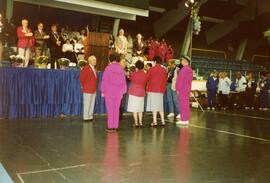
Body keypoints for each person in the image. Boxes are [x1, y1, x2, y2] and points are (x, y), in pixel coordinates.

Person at [101, 53, 127, 132]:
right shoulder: (121, 69)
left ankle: (110, 127)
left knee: (110, 109)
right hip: (118, 91)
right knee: (116, 109)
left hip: (109, 91)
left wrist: (103, 91)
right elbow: (123, 82)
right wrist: (123, 92)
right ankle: (115, 127)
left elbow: (105, 80)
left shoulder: (108, 68)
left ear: (110, 59)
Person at [146, 56, 167, 127]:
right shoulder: (164, 70)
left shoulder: (151, 69)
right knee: (160, 106)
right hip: (161, 90)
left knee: (154, 106)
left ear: (155, 61)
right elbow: (165, 82)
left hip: (152, 90)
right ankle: (163, 121)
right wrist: (164, 91)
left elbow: (147, 78)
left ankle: (155, 122)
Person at [127, 60, 148, 127]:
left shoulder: (133, 73)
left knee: (134, 108)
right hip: (141, 92)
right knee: (140, 108)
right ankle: (141, 123)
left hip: (133, 92)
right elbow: (145, 83)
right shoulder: (145, 74)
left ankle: (136, 123)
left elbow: (130, 78)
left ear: (136, 66)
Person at [80, 56, 98, 122]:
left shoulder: (95, 69)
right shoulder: (86, 68)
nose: (95, 61)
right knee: (87, 103)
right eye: (93, 60)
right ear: (89, 61)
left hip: (93, 89)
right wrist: (83, 86)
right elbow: (82, 78)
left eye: (95, 60)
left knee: (92, 103)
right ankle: (86, 117)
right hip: (87, 89)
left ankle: (90, 116)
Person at [176, 55, 193, 125]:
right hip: (186, 89)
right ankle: (185, 119)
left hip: (182, 89)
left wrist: (178, 89)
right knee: (185, 104)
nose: (181, 61)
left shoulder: (184, 69)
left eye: (182, 60)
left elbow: (180, 81)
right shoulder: (189, 69)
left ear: (185, 61)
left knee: (183, 104)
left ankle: (184, 119)